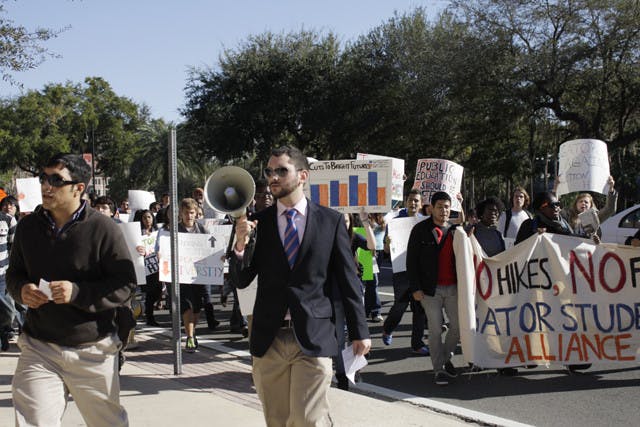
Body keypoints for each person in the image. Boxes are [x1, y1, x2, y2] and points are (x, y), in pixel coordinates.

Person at [230, 146, 371, 426]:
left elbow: (347, 280)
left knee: (308, 420)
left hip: (314, 338)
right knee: (277, 421)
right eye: (270, 172)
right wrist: (239, 245)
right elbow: (240, 280)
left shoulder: (330, 221)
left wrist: (360, 331)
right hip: (269, 339)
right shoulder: (256, 223)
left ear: (302, 175)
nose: (273, 177)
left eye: (282, 170)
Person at [6, 153, 136, 426]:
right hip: (38, 347)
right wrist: (22, 290)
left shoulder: (104, 229)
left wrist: (77, 292)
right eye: (43, 178)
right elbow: (14, 274)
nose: (46, 186)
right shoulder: (28, 227)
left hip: (93, 349)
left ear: (79, 188)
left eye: (56, 180)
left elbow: (124, 286)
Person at [515, 191, 595, 373]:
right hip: (537, 283)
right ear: (541, 208)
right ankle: (531, 354)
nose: (557, 207)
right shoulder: (530, 225)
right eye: (552, 205)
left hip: (561, 282)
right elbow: (517, 251)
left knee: (565, 319)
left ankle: (572, 357)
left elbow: (574, 247)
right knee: (536, 320)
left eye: (558, 204)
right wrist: (535, 238)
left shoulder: (563, 225)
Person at [407, 191, 461, 386]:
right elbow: (411, 261)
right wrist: (415, 288)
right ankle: (439, 369)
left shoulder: (456, 231)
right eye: (440, 207)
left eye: (447, 206)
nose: (444, 210)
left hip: (453, 288)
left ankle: (445, 359)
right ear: (431, 208)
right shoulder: (420, 230)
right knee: (436, 329)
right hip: (430, 290)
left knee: (457, 326)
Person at [467, 197, 518, 376]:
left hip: (495, 285)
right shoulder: (473, 232)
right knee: (480, 324)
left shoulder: (496, 234)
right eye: (490, 210)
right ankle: (478, 359)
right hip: (477, 286)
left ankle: (501, 362)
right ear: (481, 213)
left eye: (497, 211)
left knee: (498, 325)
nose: (494, 213)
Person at [381, 189, 429, 356]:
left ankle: (417, 344)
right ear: (406, 201)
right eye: (410, 200)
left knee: (420, 309)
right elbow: (386, 250)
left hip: (421, 273)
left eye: (416, 200)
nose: (413, 203)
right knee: (399, 307)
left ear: (421, 204)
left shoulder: (426, 222)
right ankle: (387, 329)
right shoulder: (394, 222)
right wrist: (387, 242)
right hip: (401, 272)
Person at [334, 213, 375, 390]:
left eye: (347, 220)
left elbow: (372, 247)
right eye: (340, 220)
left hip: (353, 291)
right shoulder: (326, 237)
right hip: (333, 292)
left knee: (356, 334)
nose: (343, 223)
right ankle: (342, 374)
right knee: (339, 336)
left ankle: (353, 369)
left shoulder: (354, 237)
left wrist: (365, 222)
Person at [135, 209, 162, 326]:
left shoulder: (158, 232)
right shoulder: (138, 234)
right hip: (146, 268)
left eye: (149, 217)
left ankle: (147, 311)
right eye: (145, 217)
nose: (147, 220)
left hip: (158, 266)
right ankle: (150, 317)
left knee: (158, 292)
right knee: (150, 293)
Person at [0, 208, 18, 351]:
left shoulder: (8, 219)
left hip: (3, 275)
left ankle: (5, 330)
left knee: (8, 310)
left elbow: (14, 247)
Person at [364, 212, 385, 322]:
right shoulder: (365, 216)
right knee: (373, 282)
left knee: (370, 283)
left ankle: (366, 311)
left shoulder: (384, 216)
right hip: (368, 252)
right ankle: (376, 311)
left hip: (380, 252)